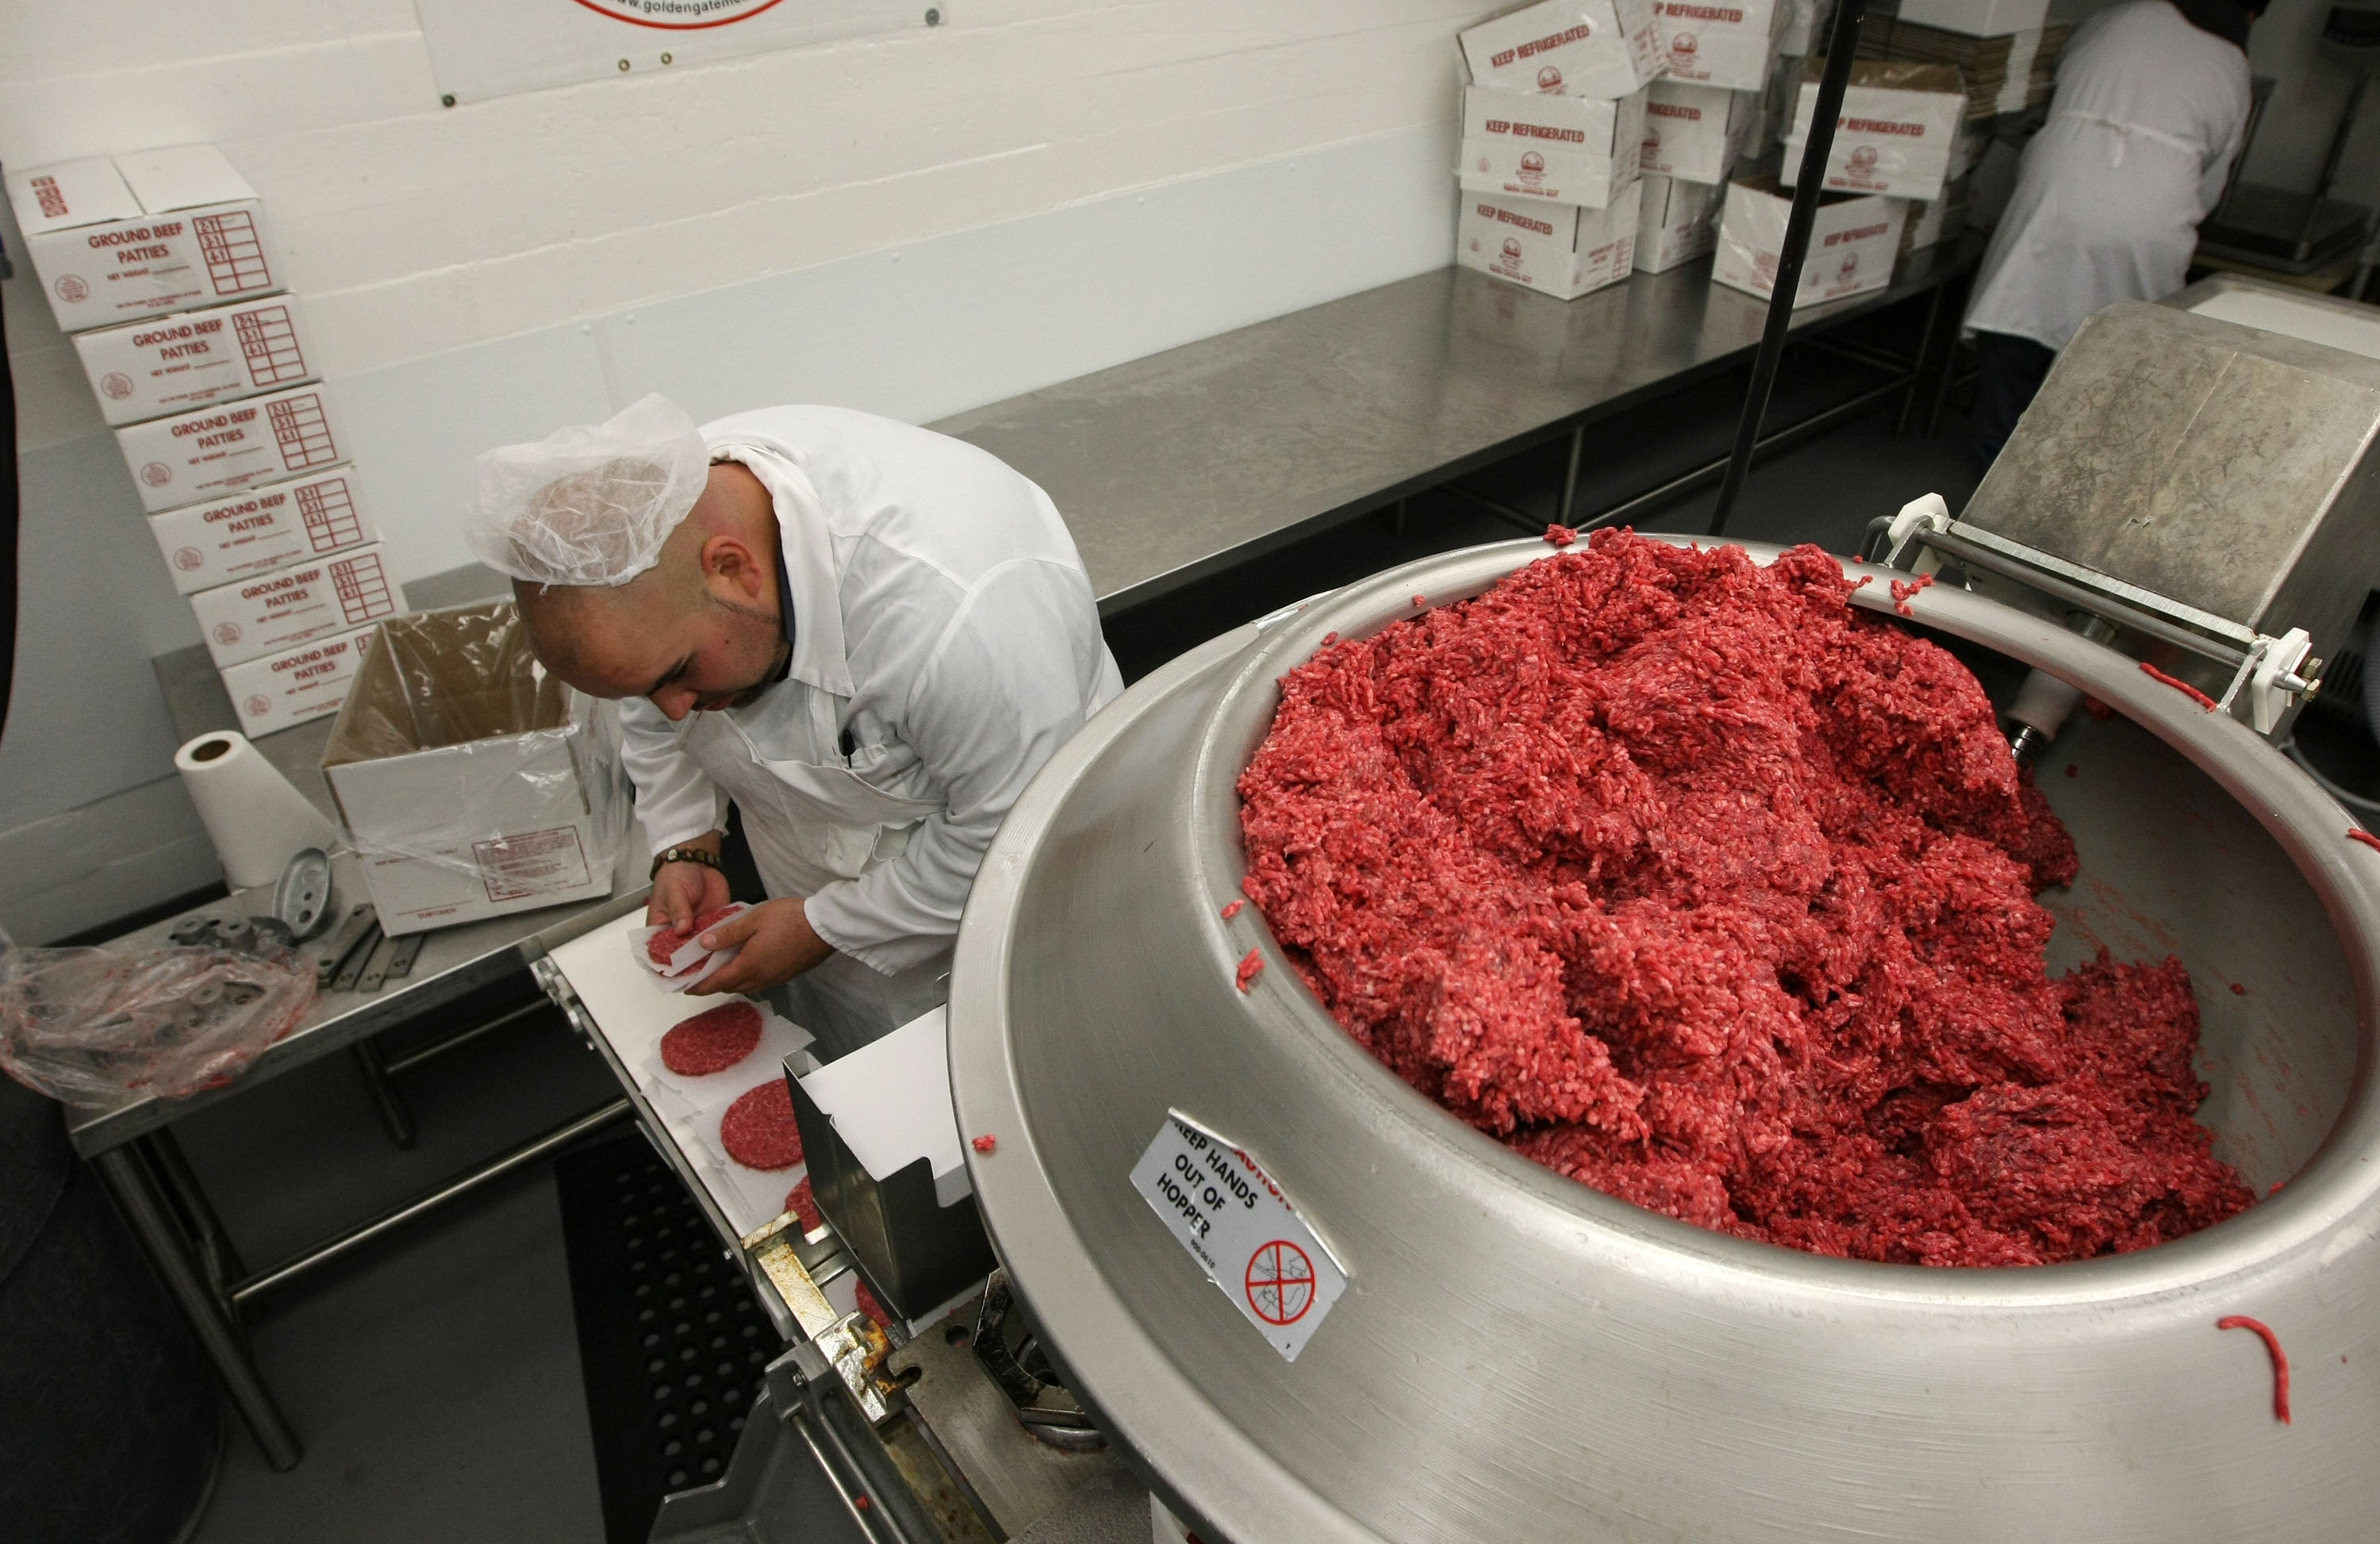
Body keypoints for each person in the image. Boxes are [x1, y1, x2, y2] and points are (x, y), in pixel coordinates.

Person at [465, 395, 1122, 1057]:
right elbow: (645, 695)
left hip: (1006, 883)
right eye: (647, 687)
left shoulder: (960, 623)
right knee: (860, 1081)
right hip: (806, 871)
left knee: (1007, 1065)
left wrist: (827, 926)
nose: (671, 709)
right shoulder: (653, 544)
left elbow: (1009, 835)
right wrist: (685, 838)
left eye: (680, 674)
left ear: (734, 570)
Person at [1964, 0, 2259, 471]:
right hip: (2152, 212)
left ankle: (1990, 474)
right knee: (2116, 357)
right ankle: (2072, 477)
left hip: (2059, 187)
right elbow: (2212, 181)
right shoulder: (2231, 64)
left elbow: (2059, 82)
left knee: (2021, 320)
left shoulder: (2118, 19)